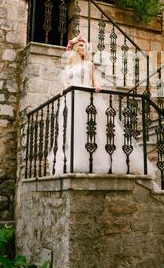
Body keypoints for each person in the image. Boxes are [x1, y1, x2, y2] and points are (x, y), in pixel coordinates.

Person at [47, 34, 157, 179]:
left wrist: (97, 87)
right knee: (75, 130)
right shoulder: (68, 68)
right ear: (74, 48)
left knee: (94, 128)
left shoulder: (89, 65)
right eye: (80, 45)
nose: (83, 48)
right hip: (72, 98)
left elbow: (94, 82)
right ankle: (77, 159)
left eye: (84, 46)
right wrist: (63, 90)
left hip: (86, 97)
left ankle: (101, 160)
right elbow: (67, 83)